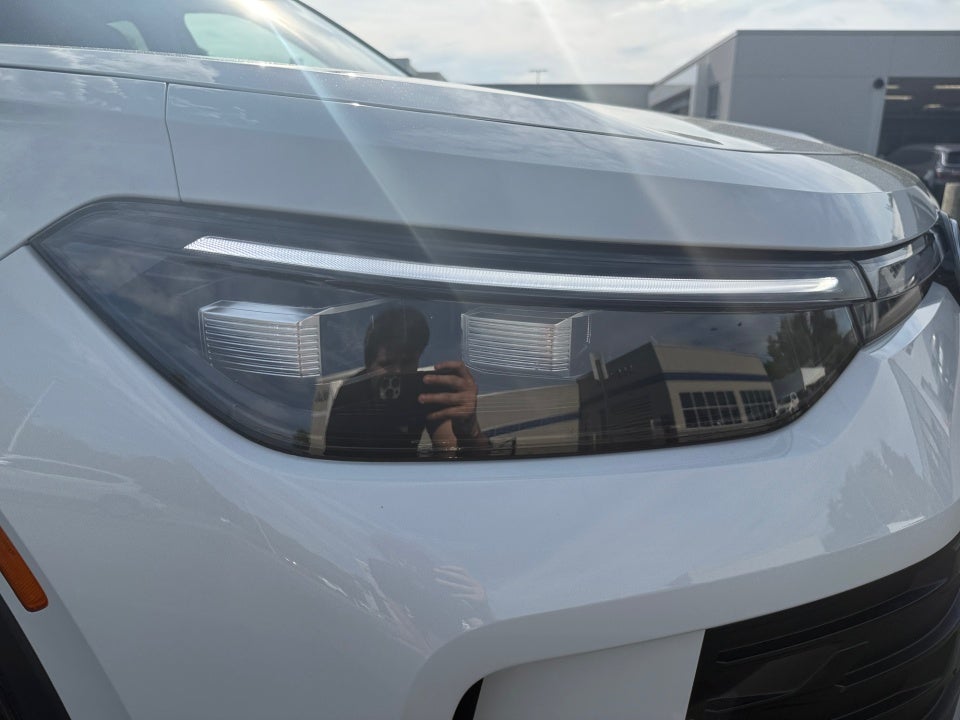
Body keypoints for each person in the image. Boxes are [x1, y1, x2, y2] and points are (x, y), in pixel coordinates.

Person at [323, 306, 490, 458]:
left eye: (407, 362)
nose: (397, 372)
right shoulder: (351, 393)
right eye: (387, 363)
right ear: (369, 364)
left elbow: (449, 453)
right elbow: (333, 460)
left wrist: (470, 431)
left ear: (419, 358)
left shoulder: (425, 391)